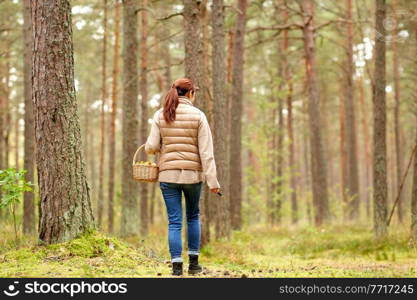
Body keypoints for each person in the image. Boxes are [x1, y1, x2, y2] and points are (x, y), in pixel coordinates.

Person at [145, 78, 220, 276]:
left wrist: (158, 146)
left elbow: (151, 147)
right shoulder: (199, 116)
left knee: (175, 221)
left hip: (168, 175)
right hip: (193, 176)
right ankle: (194, 265)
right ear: (190, 93)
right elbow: (206, 152)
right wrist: (213, 181)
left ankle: (177, 266)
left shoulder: (161, 114)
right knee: (193, 216)